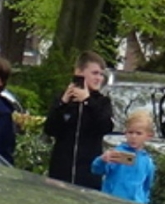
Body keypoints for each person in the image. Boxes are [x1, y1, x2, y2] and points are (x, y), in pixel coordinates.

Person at [43, 52, 116, 186]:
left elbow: (105, 126)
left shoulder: (102, 102)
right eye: (94, 73)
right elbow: (50, 129)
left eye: (101, 74)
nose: (99, 78)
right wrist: (62, 103)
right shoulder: (64, 99)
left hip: (88, 173)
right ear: (79, 72)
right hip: (61, 171)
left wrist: (88, 101)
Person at [93, 110, 159, 204]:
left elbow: (146, 187)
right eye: (130, 132)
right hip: (111, 202)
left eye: (138, 133)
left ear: (148, 136)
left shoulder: (148, 162)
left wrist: (144, 202)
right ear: (125, 133)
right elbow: (96, 170)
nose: (133, 136)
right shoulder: (116, 153)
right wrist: (102, 160)